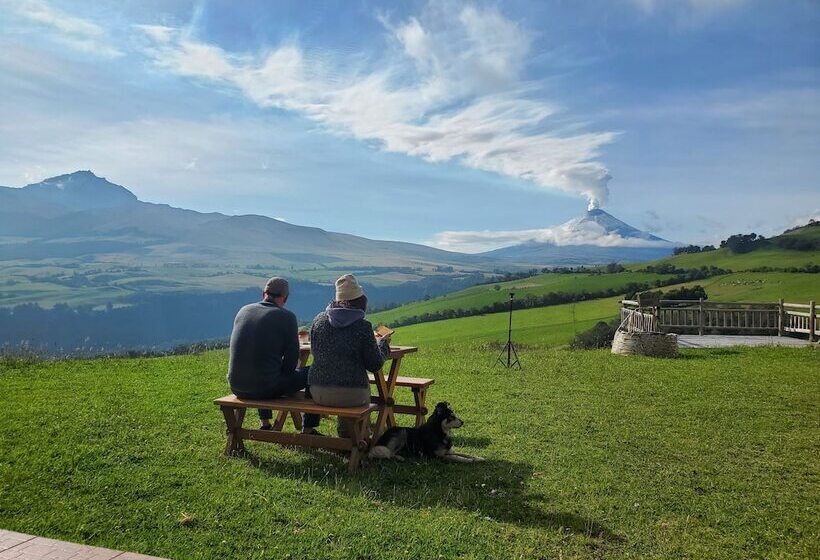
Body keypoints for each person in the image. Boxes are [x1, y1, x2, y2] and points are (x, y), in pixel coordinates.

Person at [303, 274, 391, 436]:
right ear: (361, 301)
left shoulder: (318, 321)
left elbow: (315, 352)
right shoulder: (363, 327)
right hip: (353, 394)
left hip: (318, 392)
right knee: (353, 389)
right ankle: (351, 434)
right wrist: (383, 344)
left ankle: (343, 432)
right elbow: (374, 364)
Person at [227, 276, 308, 430]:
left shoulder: (244, 310)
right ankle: (308, 427)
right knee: (312, 372)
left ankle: (265, 423)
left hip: (236, 385)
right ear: (285, 298)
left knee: (262, 369)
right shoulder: (286, 317)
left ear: (263, 293)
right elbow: (291, 362)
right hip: (265, 388)